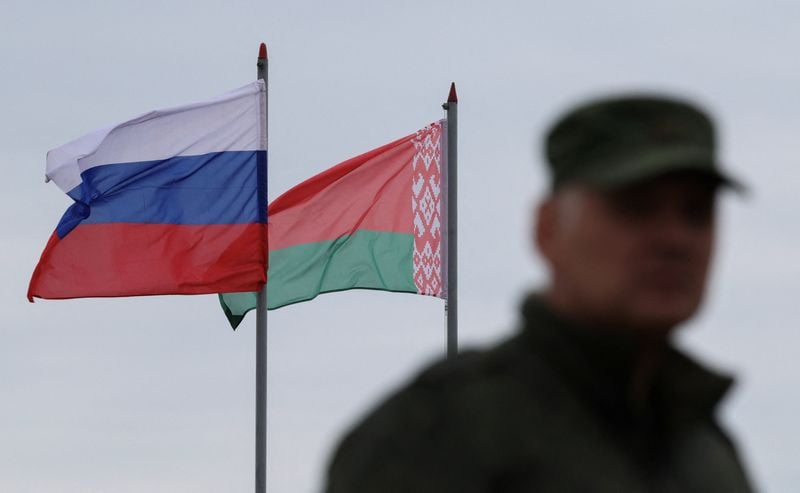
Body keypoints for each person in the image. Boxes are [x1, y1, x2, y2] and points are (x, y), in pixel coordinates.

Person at [324, 95, 755, 492]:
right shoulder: (443, 430)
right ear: (548, 229)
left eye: (696, 213)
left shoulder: (707, 453)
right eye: (635, 207)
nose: (674, 239)